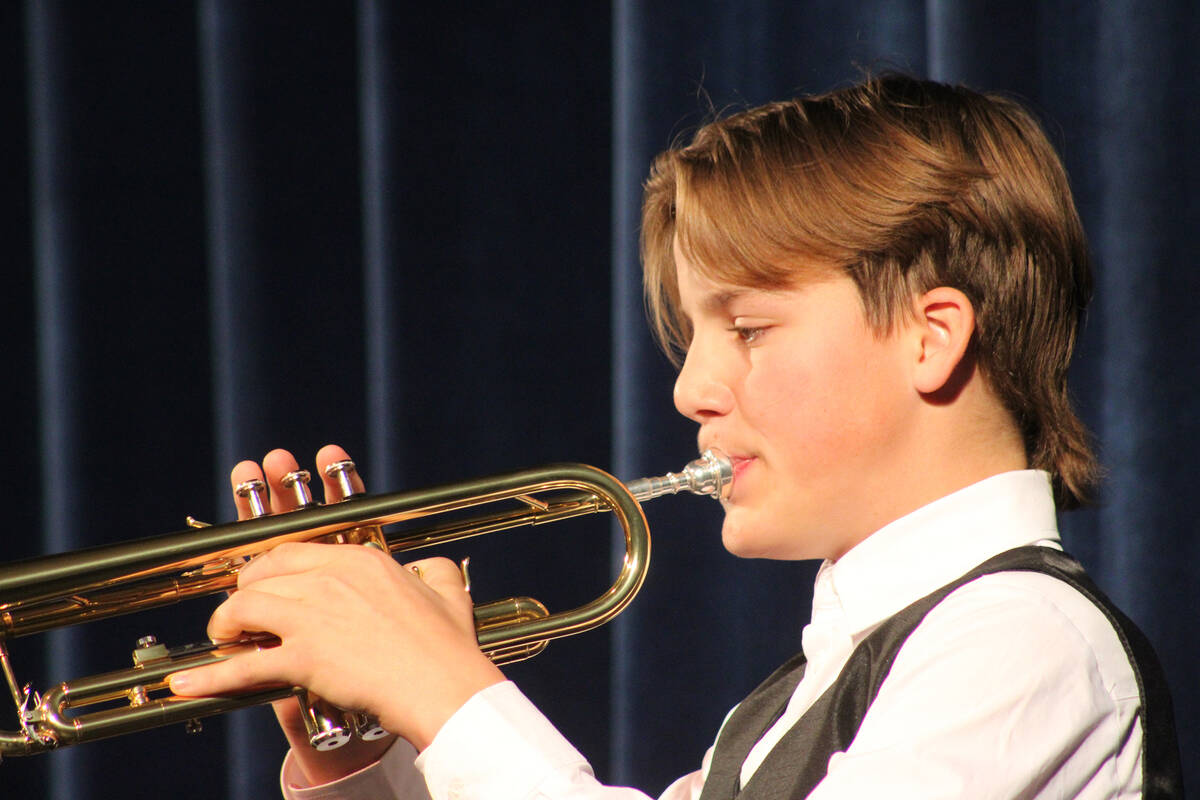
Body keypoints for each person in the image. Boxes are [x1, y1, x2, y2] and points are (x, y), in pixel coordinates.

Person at [167, 74, 1182, 798]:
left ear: (931, 335)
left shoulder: (1023, 641)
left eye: (746, 328)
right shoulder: (794, 699)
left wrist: (446, 689)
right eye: (692, 335)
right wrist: (374, 762)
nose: (693, 386)